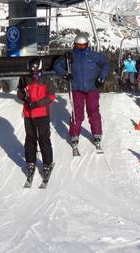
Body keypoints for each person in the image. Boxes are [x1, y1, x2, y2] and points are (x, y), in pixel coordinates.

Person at [53, 33, 110, 155]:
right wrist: (64, 74)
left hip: (92, 87)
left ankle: (97, 134)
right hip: (76, 88)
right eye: (79, 45)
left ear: (87, 44)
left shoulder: (93, 55)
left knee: (93, 111)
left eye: (83, 45)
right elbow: (57, 65)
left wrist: (102, 77)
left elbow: (105, 64)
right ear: (75, 45)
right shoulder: (70, 56)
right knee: (77, 113)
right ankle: (74, 135)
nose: (81, 47)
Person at [17, 57, 56, 185]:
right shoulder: (24, 79)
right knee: (30, 139)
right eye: (31, 72)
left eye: (36, 72)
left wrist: (37, 103)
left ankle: (47, 163)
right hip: (29, 114)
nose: (33, 74)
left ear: (40, 70)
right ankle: (30, 162)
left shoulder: (46, 80)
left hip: (42, 113)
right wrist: (25, 98)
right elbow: (19, 92)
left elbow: (51, 96)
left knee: (44, 138)